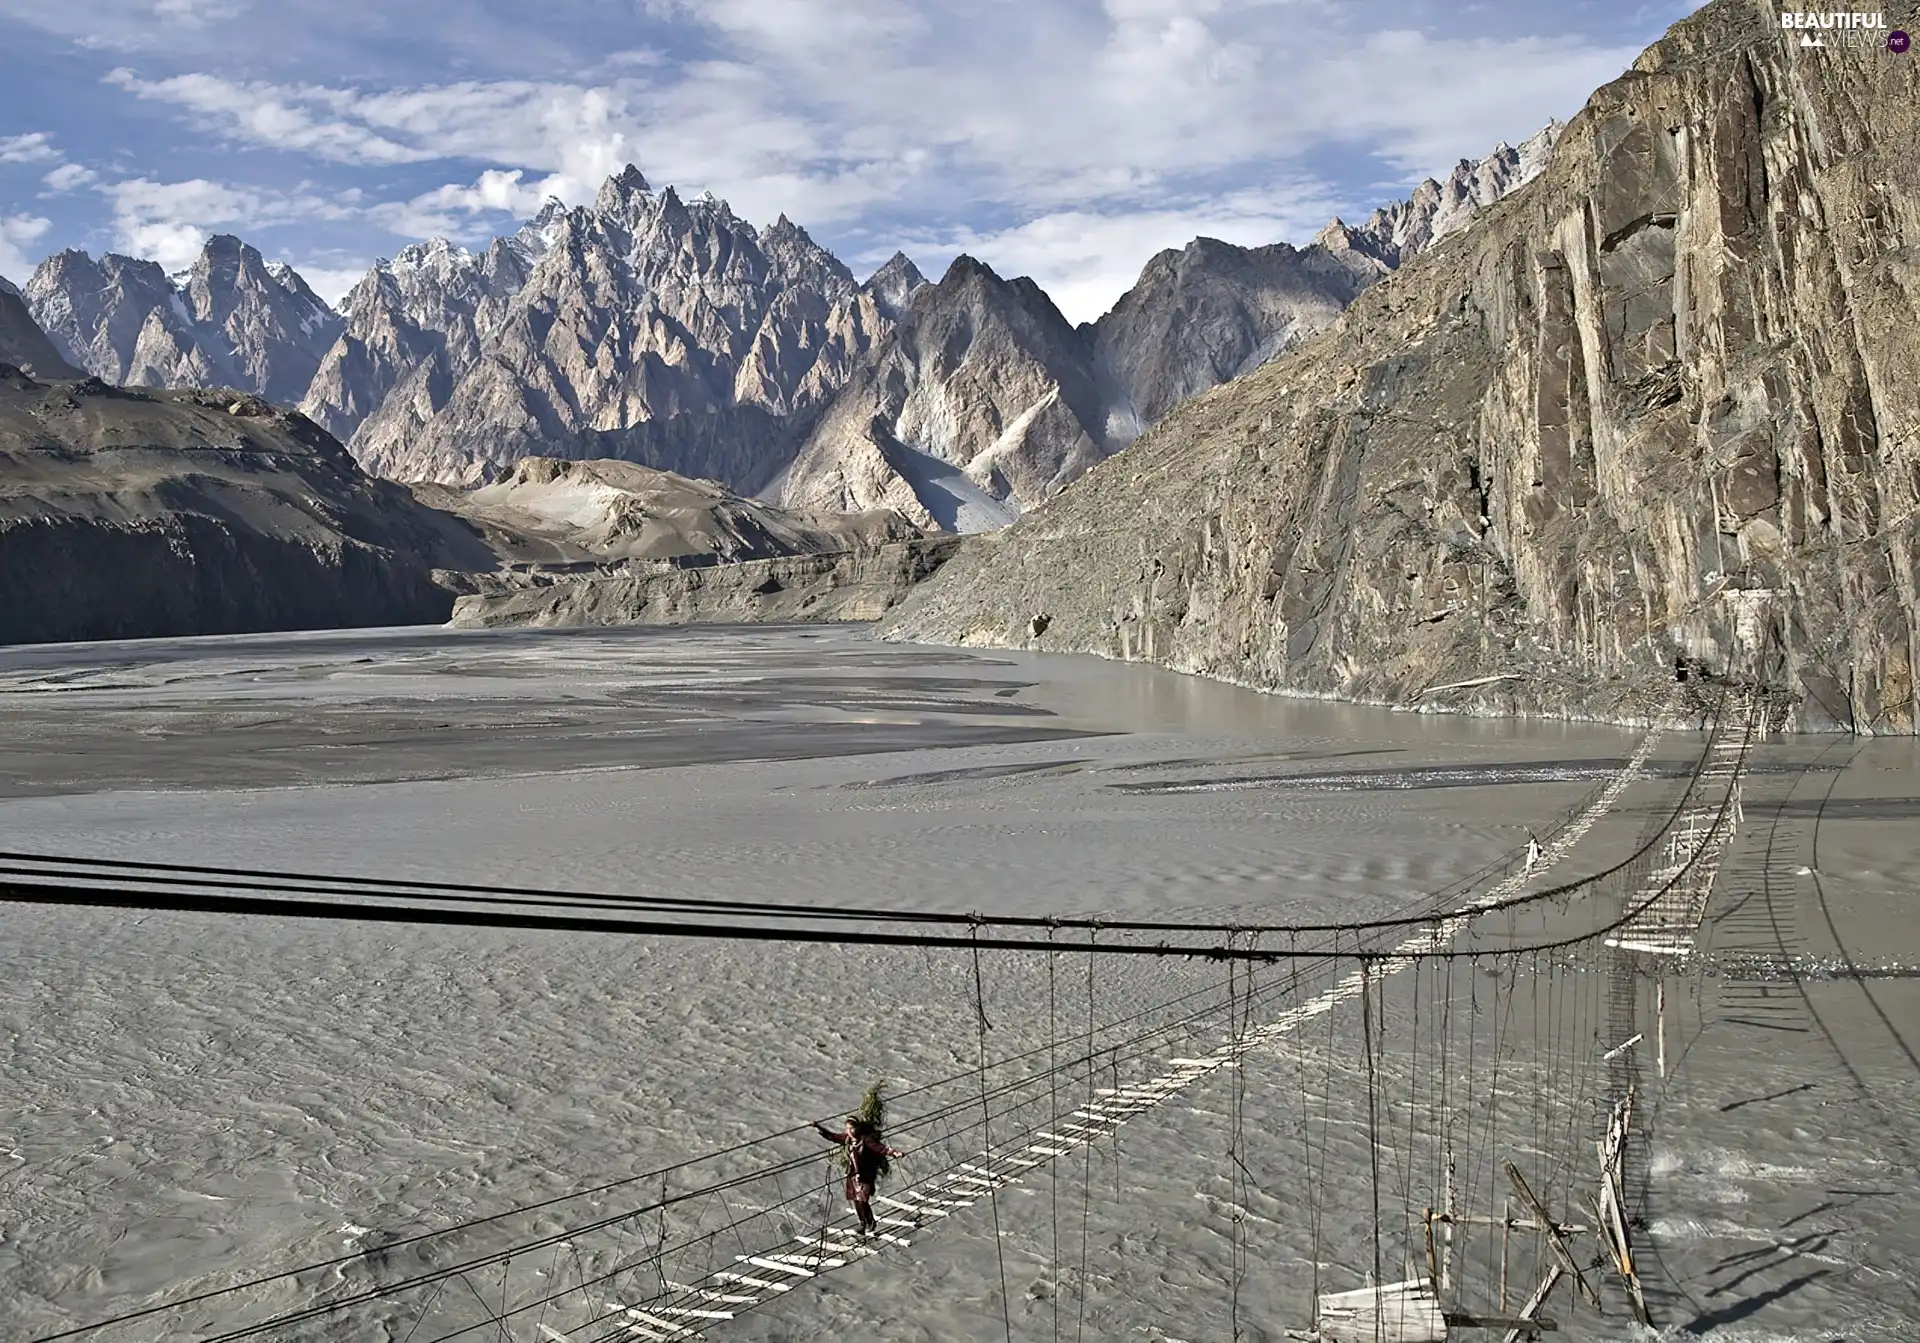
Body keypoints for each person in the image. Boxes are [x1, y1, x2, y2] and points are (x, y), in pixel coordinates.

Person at [813, 1115, 904, 1236]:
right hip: (853, 1174)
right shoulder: (847, 1139)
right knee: (856, 1201)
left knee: (862, 1200)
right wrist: (819, 1127)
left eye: (852, 1128)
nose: (849, 1132)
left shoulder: (865, 1140)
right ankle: (862, 1223)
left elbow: (880, 1148)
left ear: (858, 1128)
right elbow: (833, 1137)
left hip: (865, 1174)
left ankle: (870, 1221)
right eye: (847, 1129)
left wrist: (894, 1153)